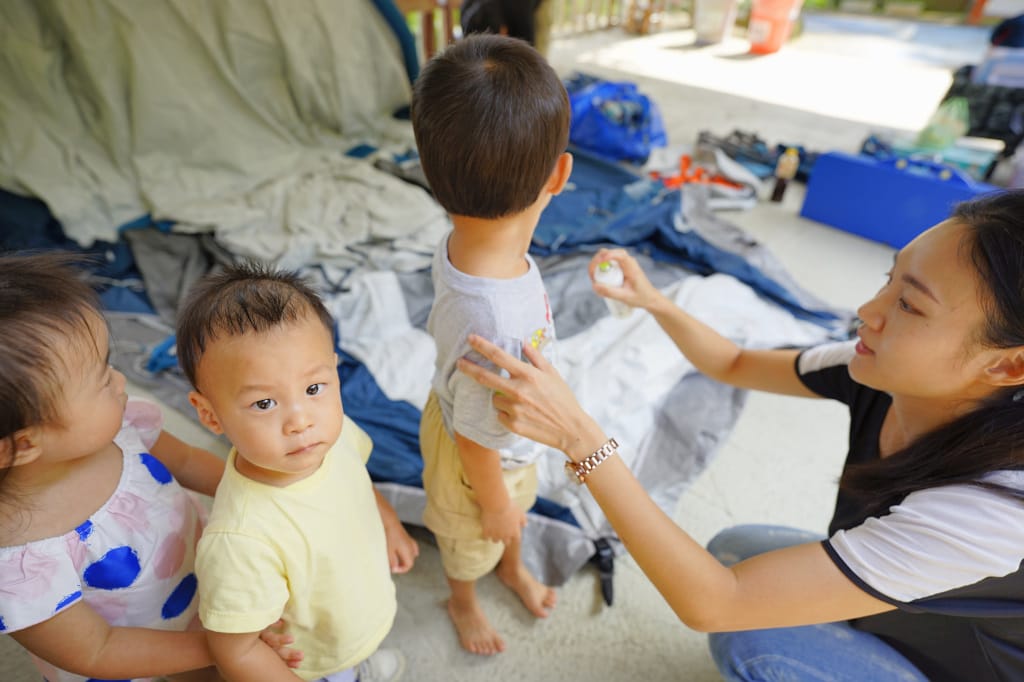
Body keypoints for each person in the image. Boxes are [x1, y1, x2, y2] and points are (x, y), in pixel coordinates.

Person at [457, 189, 1024, 682]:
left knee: (751, 639)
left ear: (1006, 367)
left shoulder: (996, 510)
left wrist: (581, 438)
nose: (866, 311)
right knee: (735, 547)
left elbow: (713, 605)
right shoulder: (878, 366)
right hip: (914, 610)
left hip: (964, 667)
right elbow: (731, 363)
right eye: (889, 277)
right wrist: (651, 299)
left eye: (908, 304)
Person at [0, 252, 301, 682]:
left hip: (203, 583)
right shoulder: (19, 567)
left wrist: (270, 494)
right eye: (102, 378)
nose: (121, 380)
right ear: (22, 445)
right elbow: (96, 650)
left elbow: (187, 461)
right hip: (134, 655)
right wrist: (222, 647)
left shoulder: (119, 426)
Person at [175, 263, 419, 682]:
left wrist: (389, 521)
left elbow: (358, 477)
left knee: (357, 650)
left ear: (335, 373)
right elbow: (236, 650)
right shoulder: (240, 540)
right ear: (210, 415)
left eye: (313, 388)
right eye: (265, 403)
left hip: (356, 607)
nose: (300, 420)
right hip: (311, 659)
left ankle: (360, 661)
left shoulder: (332, 436)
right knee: (339, 671)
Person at [410, 34, 573, 656]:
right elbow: (478, 436)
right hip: (475, 459)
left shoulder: (468, 242)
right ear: (560, 174)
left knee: (514, 517)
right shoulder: (494, 317)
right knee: (469, 535)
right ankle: (463, 599)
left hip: (499, 438)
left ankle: (511, 566)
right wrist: (496, 501)